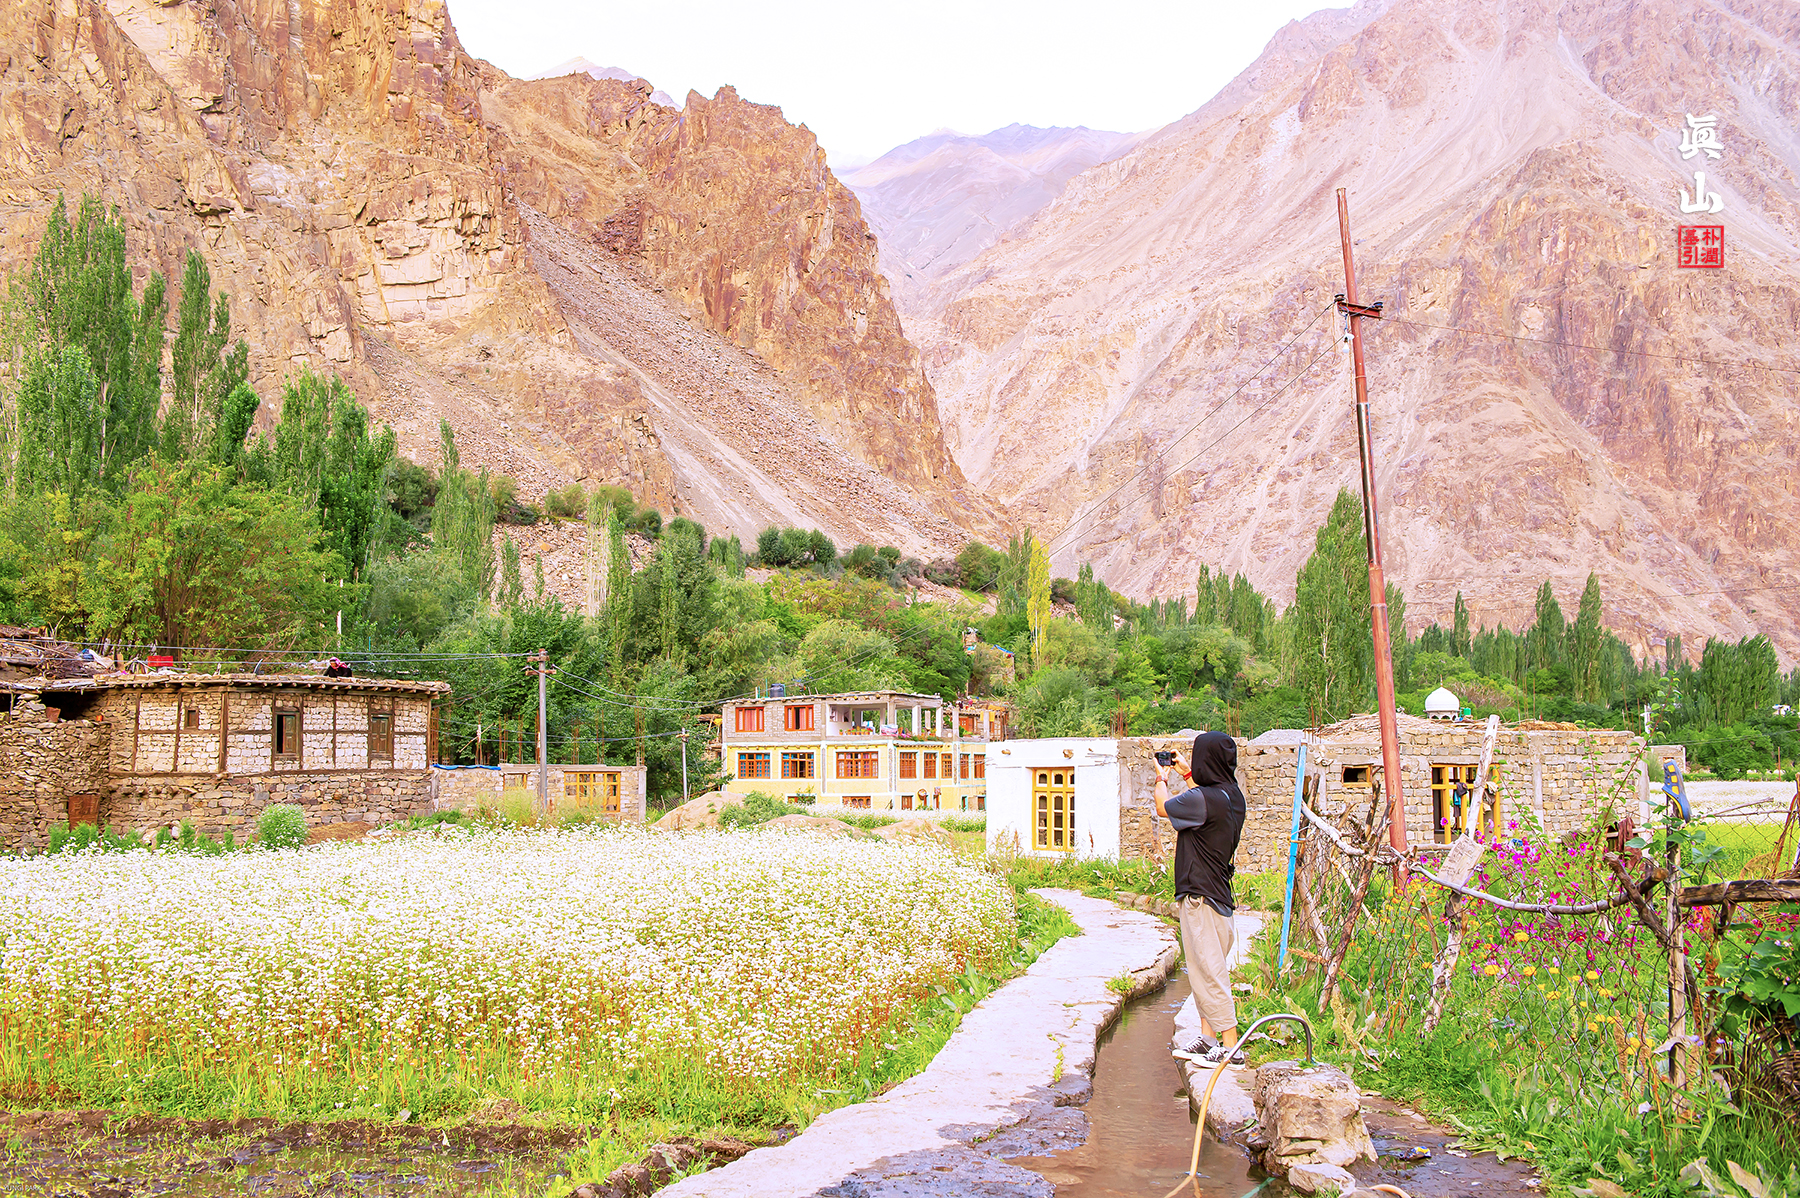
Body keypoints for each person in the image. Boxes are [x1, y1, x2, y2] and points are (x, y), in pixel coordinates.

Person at [1155, 730, 1247, 1065]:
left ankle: (1230, 1047)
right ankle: (1208, 1040)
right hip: (1219, 895)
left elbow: (1163, 808)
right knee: (1202, 970)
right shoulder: (1232, 796)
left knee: (1210, 972)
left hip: (1201, 898)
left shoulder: (1203, 799)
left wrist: (1162, 777)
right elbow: (1204, 801)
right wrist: (1188, 775)